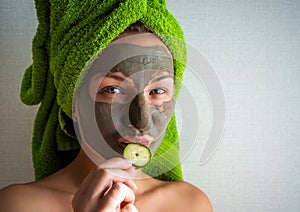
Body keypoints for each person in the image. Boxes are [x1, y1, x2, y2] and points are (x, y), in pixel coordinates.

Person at [0, 1, 213, 211]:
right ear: (72, 101)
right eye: (113, 90)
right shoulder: (16, 204)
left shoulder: (190, 204)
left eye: (157, 91)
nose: (141, 121)